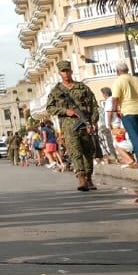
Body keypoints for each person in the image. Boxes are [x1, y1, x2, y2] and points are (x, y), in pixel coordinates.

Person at [46, 61, 101, 190]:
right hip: (69, 127)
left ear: (71, 71)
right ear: (59, 73)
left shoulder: (82, 87)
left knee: (88, 152)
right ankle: (81, 178)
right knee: (75, 152)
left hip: (85, 124)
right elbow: (50, 108)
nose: (65, 73)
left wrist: (93, 122)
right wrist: (66, 111)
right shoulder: (56, 91)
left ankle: (88, 177)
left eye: (67, 71)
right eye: (63, 71)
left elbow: (94, 105)